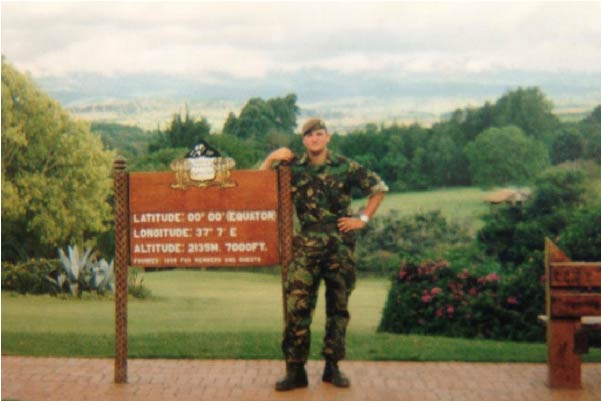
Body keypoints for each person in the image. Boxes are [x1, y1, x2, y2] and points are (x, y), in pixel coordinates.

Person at [260, 118, 388, 391]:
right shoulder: (292, 168)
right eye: (309, 136)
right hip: (305, 244)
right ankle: (295, 370)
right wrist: (271, 158)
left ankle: (333, 367)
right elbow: (258, 186)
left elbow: (378, 188)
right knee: (297, 307)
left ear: (327, 137)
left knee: (338, 307)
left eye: (319, 134)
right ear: (304, 141)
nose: (315, 139)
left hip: (339, 243)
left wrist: (362, 219)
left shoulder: (345, 165)